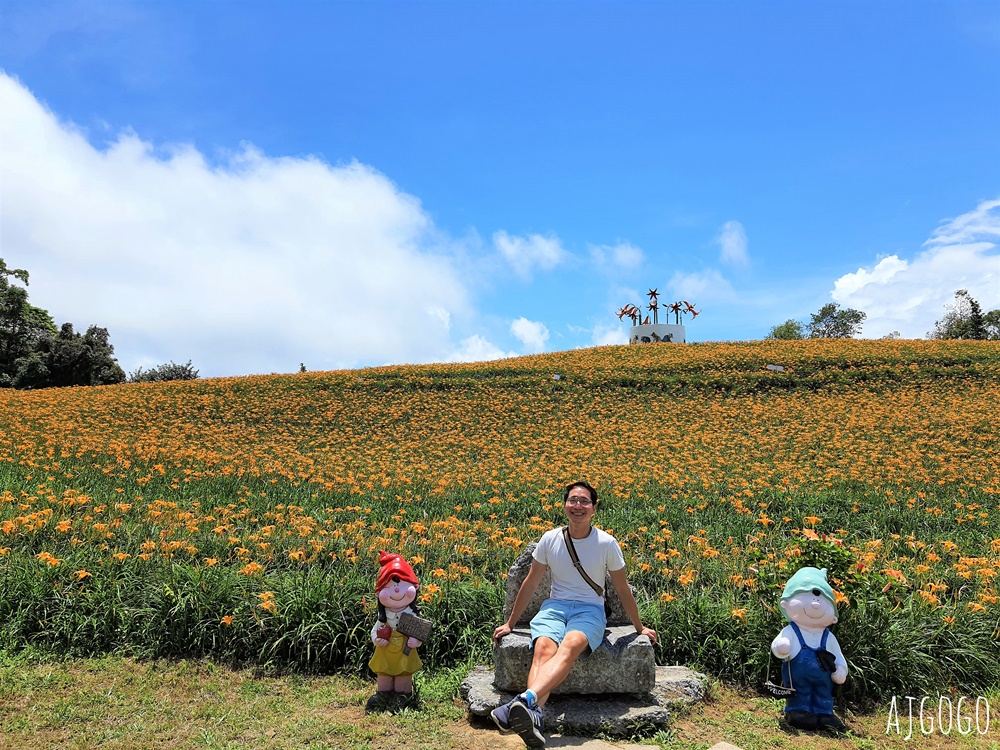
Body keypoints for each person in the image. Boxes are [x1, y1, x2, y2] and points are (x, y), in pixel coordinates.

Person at [491, 481, 658, 748]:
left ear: (594, 508)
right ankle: (533, 712)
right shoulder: (550, 539)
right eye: (573, 500)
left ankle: (524, 700)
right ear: (565, 504)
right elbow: (531, 582)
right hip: (554, 606)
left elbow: (622, 588)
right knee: (543, 648)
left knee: (570, 645)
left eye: (584, 501)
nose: (578, 506)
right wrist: (510, 623)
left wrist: (639, 628)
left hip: (590, 609)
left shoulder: (606, 542)